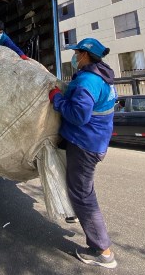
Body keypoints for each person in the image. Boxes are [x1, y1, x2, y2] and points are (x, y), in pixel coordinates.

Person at [49, 37, 118, 269]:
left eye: (77, 53)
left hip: (85, 144)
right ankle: (72, 210)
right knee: (78, 187)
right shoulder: (104, 78)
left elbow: (79, 115)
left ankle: (102, 251)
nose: (75, 56)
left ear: (86, 55)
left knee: (84, 195)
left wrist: (56, 99)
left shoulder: (88, 80)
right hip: (94, 142)